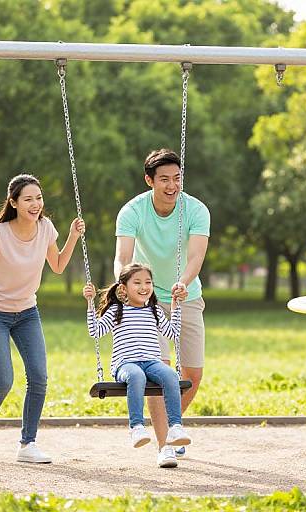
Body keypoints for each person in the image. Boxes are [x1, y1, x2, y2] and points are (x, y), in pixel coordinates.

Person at [0, 174, 85, 464]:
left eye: (39, 198)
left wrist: (73, 236)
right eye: (28, 199)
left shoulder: (46, 228)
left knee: (39, 377)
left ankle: (27, 444)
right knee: (3, 380)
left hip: (27, 312)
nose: (36, 204)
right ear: (14, 203)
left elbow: (59, 265)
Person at [114, 148, 209, 467]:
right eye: (165, 179)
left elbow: (196, 255)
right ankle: (164, 444)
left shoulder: (196, 209)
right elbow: (122, 257)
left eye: (177, 178)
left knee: (192, 374)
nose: (172, 186)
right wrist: (125, 285)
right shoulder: (133, 211)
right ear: (149, 180)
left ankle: (170, 428)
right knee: (160, 373)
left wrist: (184, 281)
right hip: (148, 299)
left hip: (187, 295)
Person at [83, 262, 192, 452]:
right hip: (125, 364)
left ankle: (175, 427)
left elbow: (173, 333)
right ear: (123, 288)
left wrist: (175, 307)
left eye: (148, 282)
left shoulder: (154, 311)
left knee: (170, 376)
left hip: (151, 362)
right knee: (136, 376)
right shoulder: (117, 310)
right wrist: (90, 304)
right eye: (138, 283)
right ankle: (137, 427)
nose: (144, 287)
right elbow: (95, 331)